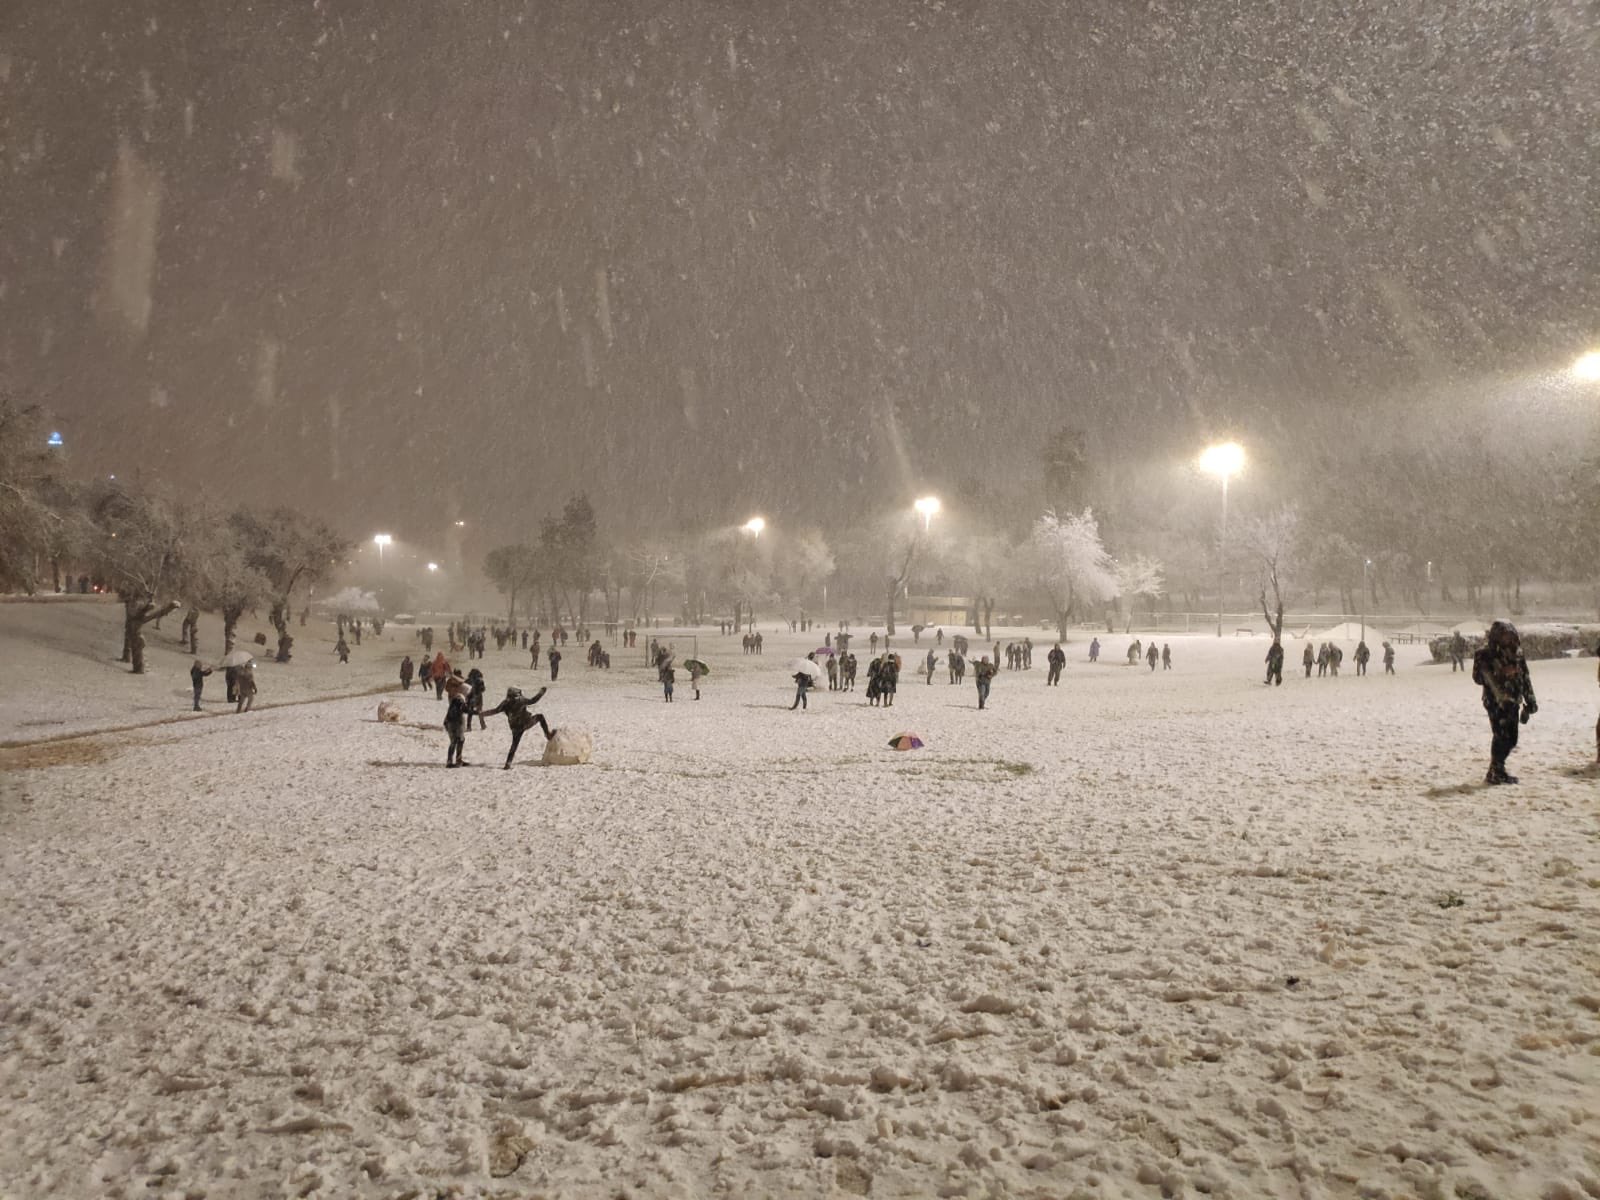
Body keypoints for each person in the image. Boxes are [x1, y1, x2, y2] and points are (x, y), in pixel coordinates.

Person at [1472, 620, 1536, 784]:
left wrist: (1530, 701)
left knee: (1512, 738)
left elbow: (1525, 678)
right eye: (1504, 635)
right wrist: (1499, 672)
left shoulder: (1517, 653)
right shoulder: (1484, 654)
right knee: (1501, 736)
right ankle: (1497, 771)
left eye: (1510, 635)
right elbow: (1478, 678)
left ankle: (1495, 770)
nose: (1507, 639)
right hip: (1495, 700)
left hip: (1513, 699)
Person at [481, 686, 553, 768]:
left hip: (515, 727)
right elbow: (533, 700)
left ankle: (508, 764)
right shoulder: (521, 700)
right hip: (525, 723)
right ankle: (548, 735)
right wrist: (541, 692)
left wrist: (482, 714)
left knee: (514, 745)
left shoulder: (505, 703)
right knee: (540, 717)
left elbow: (494, 711)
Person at [443, 678, 471, 767]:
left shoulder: (455, 697)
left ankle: (458, 759)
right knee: (455, 741)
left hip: (453, 721)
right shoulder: (458, 698)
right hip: (454, 722)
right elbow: (463, 709)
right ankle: (450, 762)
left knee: (459, 740)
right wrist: (475, 712)